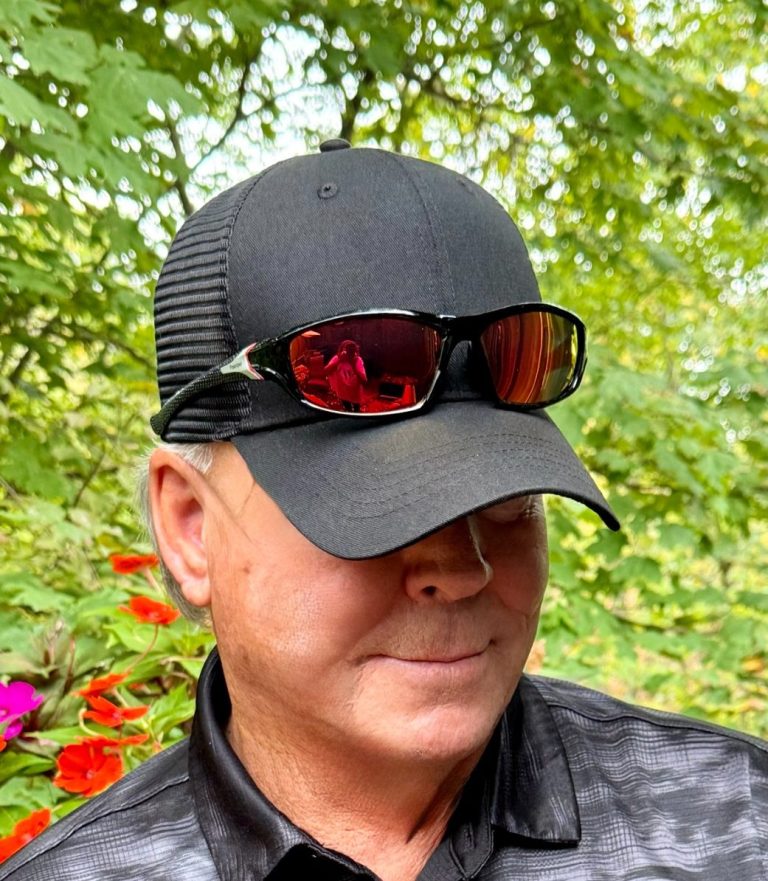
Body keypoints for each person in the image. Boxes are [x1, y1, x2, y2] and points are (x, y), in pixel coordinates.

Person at [2, 138, 765, 881]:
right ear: (191, 529)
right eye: (376, 514)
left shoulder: (736, 824)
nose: (463, 568)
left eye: (508, 498)